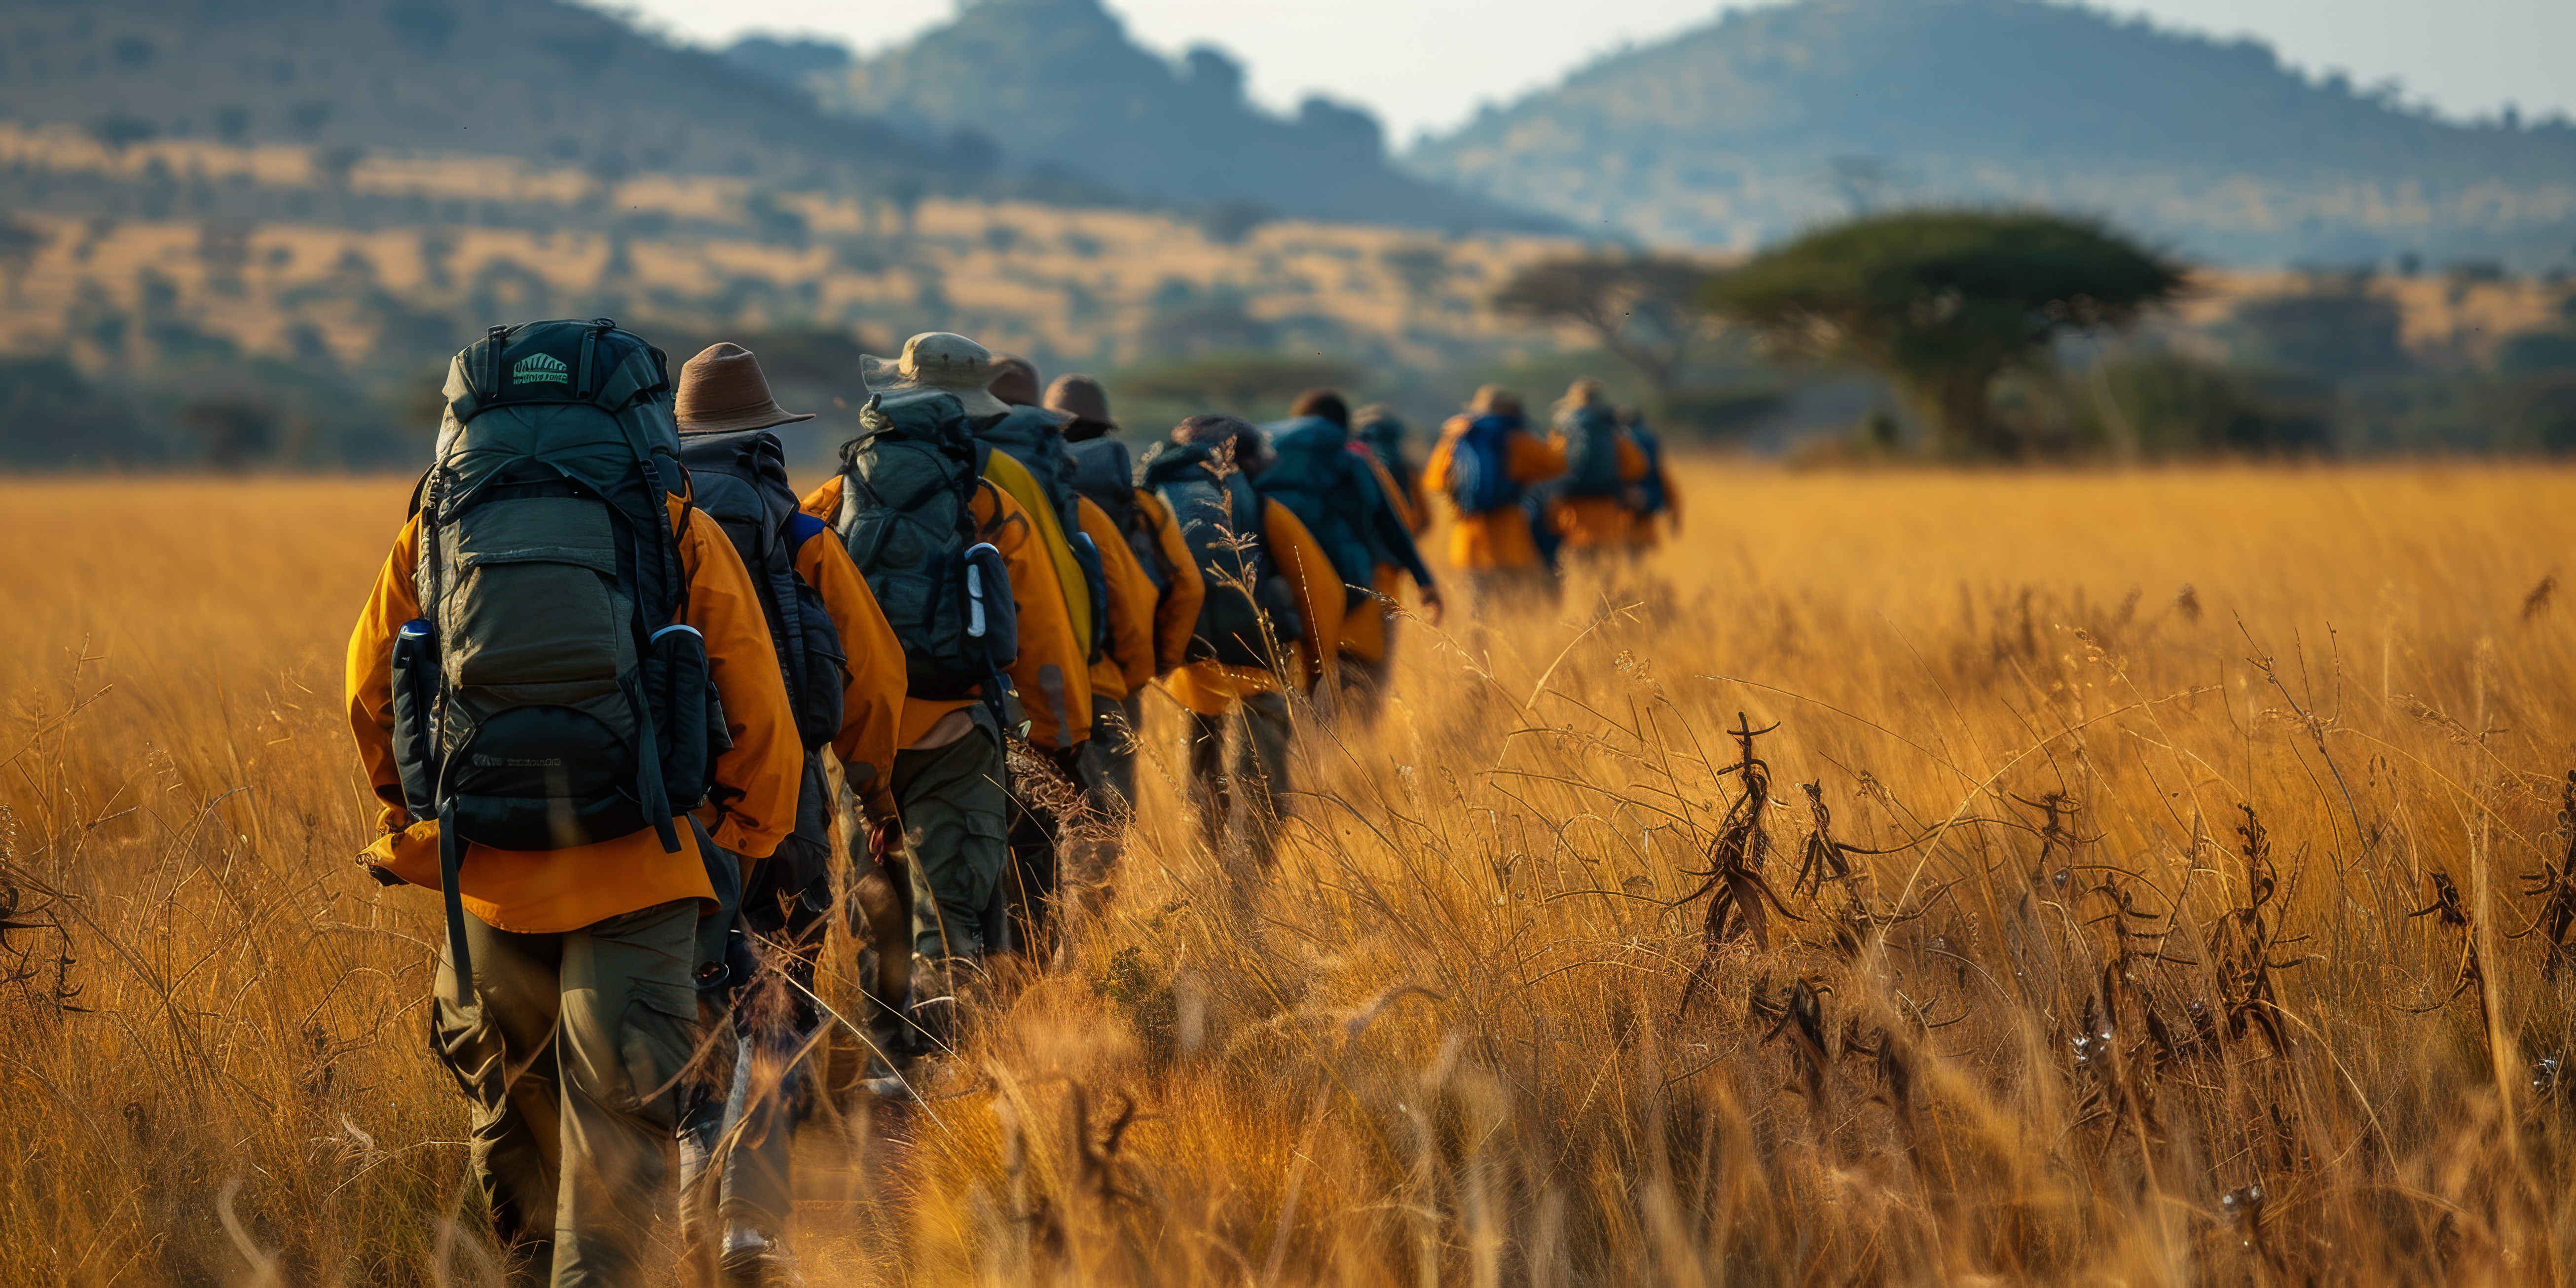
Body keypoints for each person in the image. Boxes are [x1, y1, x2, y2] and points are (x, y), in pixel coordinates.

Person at [345, 320, 803, 1285]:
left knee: (513, 1122)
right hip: (642, 865)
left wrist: (417, 817)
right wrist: (732, 845)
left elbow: (370, 686)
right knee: (617, 1135)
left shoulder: (434, 527)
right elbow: (759, 710)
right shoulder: (674, 524)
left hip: (485, 876)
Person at [668, 342, 908, 1282]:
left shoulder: (651, 522)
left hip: (674, 813)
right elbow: (872, 674)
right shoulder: (799, 530)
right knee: (777, 1000)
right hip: (789, 804)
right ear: (767, 432)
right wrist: (876, 791)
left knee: (690, 1006)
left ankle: (688, 1198)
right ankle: (749, 1229)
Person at [800, 332, 1088, 1039]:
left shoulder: (833, 495)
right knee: (950, 912)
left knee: (878, 908)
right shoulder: (987, 500)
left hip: (858, 735)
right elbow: (1043, 637)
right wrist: (1058, 743)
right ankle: (946, 1079)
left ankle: (886, 1066)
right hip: (957, 732)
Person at [1141, 415, 1344, 871]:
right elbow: (1321, 592)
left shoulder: (1157, 501)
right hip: (1259, 663)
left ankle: (1208, 873)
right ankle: (1250, 880)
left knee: (1201, 778)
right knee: (1263, 785)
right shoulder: (1263, 508)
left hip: (1188, 669)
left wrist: (1160, 659)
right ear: (1244, 458)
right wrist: (1317, 670)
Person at [1053, 371, 1208, 808]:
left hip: (1038, 682)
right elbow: (1189, 587)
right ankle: (1102, 878)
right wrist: (1160, 661)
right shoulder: (1140, 506)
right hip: (1115, 679)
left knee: (1042, 819)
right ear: (1106, 432)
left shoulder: (1024, 498)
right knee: (1111, 812)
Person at [1257, 388, 1442, 715]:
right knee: (1365, 692)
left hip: (1291, 598)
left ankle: (1311, 761)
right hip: (1355, 593)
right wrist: (1424, 580)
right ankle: (1359, 762)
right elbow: (1394, 523)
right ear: (1342, 426)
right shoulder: (1353, 457)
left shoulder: (1264, 459)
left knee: (1305, 697)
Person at [1423, 385, 1565, 605]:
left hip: (1470, 538)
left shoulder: (1457, 439)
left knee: (1479, 612)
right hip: (1511, 538)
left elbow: (1434, 481)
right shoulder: (1516, 438)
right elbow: (1557, 465)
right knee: (1514, 610)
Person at [1547, 377, 1650, 555]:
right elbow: (1638, 466)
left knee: (1573, 559)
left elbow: (1550, 463)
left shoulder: (1564, 429)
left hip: (1571, 503)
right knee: (1603, 559)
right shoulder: (1611, 430)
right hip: (1605, 502)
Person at [1620, 405, 1685, 551]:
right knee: (1638, 563)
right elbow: (1671, 492)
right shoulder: (1651, 442)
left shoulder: (1617, 443)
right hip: (1646, 519)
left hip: (1619, 521)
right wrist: (1675, 522)